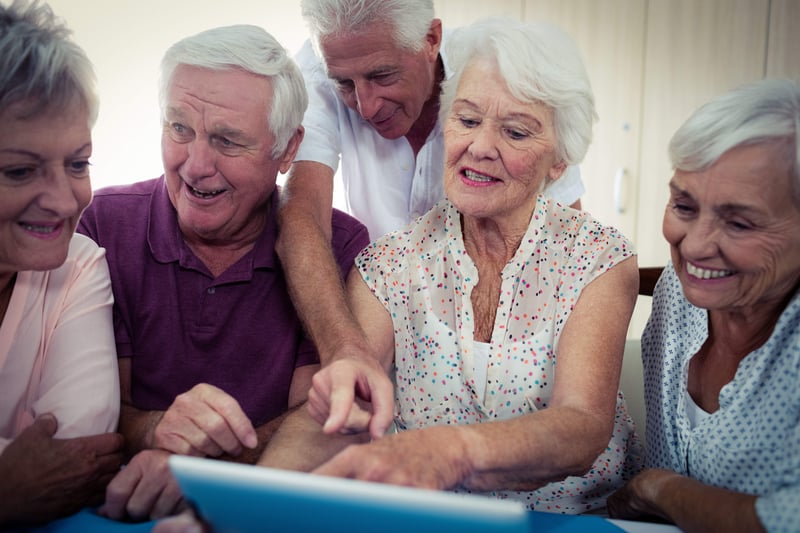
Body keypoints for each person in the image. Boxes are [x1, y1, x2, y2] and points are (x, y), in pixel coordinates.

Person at [260, 17, 641, 514]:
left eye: (515, 132)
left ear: (560, 161)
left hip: (573, 519)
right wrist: (248, 508)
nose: (479, 147)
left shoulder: (598, 258)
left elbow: (582, 426)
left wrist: (453, 451)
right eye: (466, 120)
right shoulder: (387, 266)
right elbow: (336, 413)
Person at [77, 25, 369, 521]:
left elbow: (320, 421)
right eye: (179, 129)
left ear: (287, 150)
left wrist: (200, 475)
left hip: (264, 515)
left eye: (227, 141)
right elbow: (90, 415)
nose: (195, 166)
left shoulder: (339, 248)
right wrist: (154, 429)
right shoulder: (102, 225)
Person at [275, 0, 588, 410]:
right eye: (345, 85)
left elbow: (564, 243)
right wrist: (343, 349)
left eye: (382, 76)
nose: (366, 106)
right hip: (376, 321)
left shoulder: (495, 70)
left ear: (431, 40)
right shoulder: (382, 267)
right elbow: (302, 216)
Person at [607, 79, 800, 532]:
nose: (694, 246)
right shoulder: (680, 291)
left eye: (739, 223)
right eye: (684, 206)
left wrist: (657, 489)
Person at [0, 0, 123, 527]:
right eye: (19, 171)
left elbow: (79, 450)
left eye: (78, 163)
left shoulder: (79, 262)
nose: (64, 200)